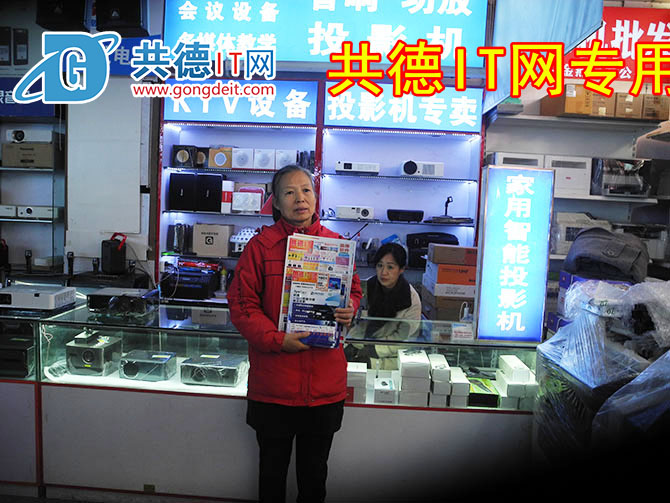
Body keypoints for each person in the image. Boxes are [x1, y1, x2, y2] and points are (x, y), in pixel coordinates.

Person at [227, 165, 363, 503]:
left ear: (315, 196)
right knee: (271, 477)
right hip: (274, 388)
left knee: (314, 479)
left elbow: (354, 292)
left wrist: (350, 308)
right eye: (289, 192)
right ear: (276, 202)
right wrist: (278, 341)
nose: (300, 198)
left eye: (306, 190)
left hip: (324, 389)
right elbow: (242, 307)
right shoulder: (260, 247)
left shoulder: (336, 245)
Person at [350, 243, 422, 370]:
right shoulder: (368, 287)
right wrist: (353, 344)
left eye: (390, 267)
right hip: (361, 347)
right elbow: (357, 324)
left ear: (401, 269)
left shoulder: (411, 299)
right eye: (380, 265)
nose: (383, 272)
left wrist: (373, 350)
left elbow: (403, 339)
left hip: (389, 357)